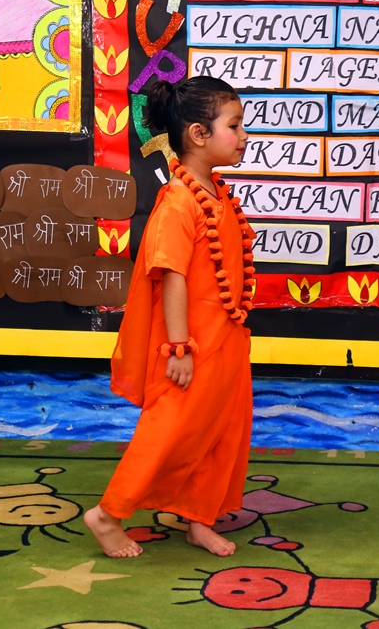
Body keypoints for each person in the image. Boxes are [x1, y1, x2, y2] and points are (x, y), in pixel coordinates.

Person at [84, 76, 255, 559]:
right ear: (199, 134)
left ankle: (200, 517)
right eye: (234, 126)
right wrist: (179, 347)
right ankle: (107, 515)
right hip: (190, 348)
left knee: (221, 432)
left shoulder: (216, 193)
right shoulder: (180, 200)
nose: (243, 136)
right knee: (167, 434)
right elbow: (171, 276)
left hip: (226, 339)